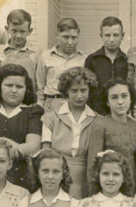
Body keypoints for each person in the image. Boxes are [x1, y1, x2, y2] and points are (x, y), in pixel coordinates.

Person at [40, 66, 99, 199]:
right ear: (66, 91)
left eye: (83, 90)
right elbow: (45, 152)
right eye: (74, 91)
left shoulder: (97, 119)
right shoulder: (51, 118)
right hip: (56, 175)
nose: (79, 96)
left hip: (85, 177)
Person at [86, 78, 136, 191]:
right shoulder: (99, 125)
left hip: (131, 189)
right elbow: (93, 164)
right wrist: (95, 194)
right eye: (114, 97)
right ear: (107, 102)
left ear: (131, 99)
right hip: (108, 188)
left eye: (124, 96)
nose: (120, 102)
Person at [36, 18, 86, 112]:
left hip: (75, 104)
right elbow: (40, 86)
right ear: (57, 35)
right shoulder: (45, 56)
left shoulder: (83, 58)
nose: (70, 42)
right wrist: (40, 108)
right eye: (66, 37)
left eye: (74, 38)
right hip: (52, 104)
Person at [84, 16, 128, 115]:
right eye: (107, 35)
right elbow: (87, 89)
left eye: (116, 35)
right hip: (97, 112)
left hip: (120, 112)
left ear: (122, 36)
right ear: (101, 36)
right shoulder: (92, 60)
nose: (111, 39)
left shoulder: (126, 60)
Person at [0, 9, 40, 86]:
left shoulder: (36, 52)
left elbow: (40, 82)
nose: (18, 36)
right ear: (7, 29)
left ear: (30, 31)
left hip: (28, 92)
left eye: (22, 32)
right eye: (14, 31)